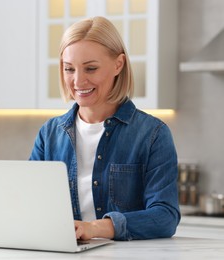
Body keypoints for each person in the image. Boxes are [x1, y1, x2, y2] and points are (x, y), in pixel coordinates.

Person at [29, 16, 180, 241]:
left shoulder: (152, 134)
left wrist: (96, 228)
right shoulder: (50, 133)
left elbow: (165, 216)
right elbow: (28, 202)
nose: (78, 82)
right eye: (69, 69)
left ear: (118, 64)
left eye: (90, 68)